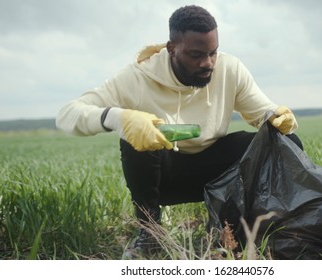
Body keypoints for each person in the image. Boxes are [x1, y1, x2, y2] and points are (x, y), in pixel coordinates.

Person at [56, 5, 302, 258]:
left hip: (221, 178)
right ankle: (150, 233)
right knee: (134, 141)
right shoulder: (137, 78)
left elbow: (262, 111)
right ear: (172, 48)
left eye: (213, 52)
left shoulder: (229, 69)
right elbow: (68, 114)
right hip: (166, 179)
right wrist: (119, 117)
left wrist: (279, 117)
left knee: (286, 141)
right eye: (196, 55)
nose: (208, 63)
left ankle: (240, 225)